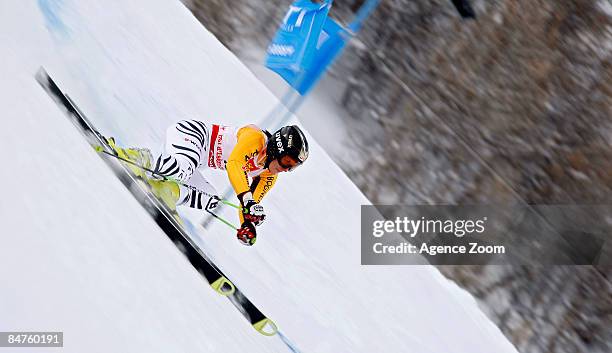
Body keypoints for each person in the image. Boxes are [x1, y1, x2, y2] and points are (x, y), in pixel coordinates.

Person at [117, 120, 309, 246]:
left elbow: (247, 205)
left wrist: (248, 225)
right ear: (277, 149)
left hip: (198, 162)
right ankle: (136, 158)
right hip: (193, 136)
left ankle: (166, 192)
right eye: (287, 162)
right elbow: (235, 165)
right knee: (183, 170)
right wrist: (249, 202)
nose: (286, 170)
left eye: (292, 167)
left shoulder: (269, 175)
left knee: (212, 200)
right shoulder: (255, 138)